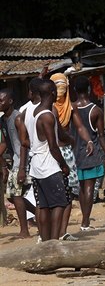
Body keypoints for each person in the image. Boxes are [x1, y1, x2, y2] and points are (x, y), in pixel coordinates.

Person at [25, 79, 70, 241]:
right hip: (49, 165)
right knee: (59, 203)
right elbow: (53, 146)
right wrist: (64, 165)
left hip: (36, 165)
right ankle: (53, 241)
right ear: (52, 93)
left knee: (43, 205)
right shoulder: (47, 116)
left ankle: (45, 241)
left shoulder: (32, 112)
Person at [50, 72, 94, 241]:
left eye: (63, 84)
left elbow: (80, 126)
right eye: (57, 85)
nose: (60, 88)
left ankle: (62, 232)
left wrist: (88, 140)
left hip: (67, 153)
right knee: (53, 194)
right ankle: (49, 233)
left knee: (67, 194)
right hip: (51, 153)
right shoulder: (48, 107)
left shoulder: (70, 106)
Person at [72, 76, 105, 230]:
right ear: (89, 89)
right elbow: (101, 135)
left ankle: (85, 219)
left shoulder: (71, 108)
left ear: (75, 90)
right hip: (91, 151)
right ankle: (85, 221)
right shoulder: (95, 110)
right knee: (89, 187)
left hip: (75, 151)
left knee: (82, 188)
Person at [0, 89, 37, 238]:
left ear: (10, 101)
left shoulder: (17, 118)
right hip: (15, 160)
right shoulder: (3, 120)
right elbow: (5, 142)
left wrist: (22, 168)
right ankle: (39, 216)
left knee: (16, 195)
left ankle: (24, 231)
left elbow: (24, 144)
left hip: (22, 160)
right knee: (11, 196)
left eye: (1, 100)